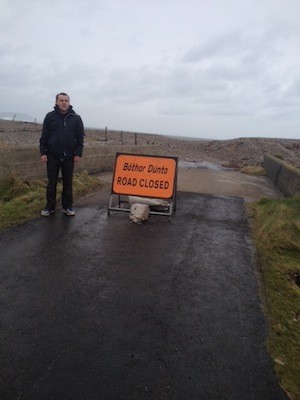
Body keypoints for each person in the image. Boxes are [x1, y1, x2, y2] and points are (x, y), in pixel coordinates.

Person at [39, 92, 84, 217]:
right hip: (52, 156)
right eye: (61, 100)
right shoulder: (50, 117)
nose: (64, 102)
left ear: (69, 103)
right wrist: (43, 153)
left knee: (68, 183)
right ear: (56, 102)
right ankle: (50, 207)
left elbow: (80, 139)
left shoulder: (76, 118)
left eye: (66, 100)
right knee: (51, 183)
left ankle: (67, 207)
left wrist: (78, 153)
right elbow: (44, 137)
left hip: (69, 157)